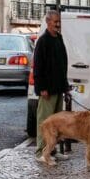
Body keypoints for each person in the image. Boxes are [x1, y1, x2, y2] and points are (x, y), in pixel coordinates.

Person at [32, 10, 70, 162]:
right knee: (45, 121)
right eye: (55, 22)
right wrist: (42, 88)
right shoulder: (43, 41)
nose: (58, 24)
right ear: (48, 22)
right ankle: (41, 152)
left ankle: (52, 150)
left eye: (59, 22)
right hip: (47, 90)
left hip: (58, 88)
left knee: (57, 123)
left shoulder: (59, 38)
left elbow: (63, 65)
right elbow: (38, 67)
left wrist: (65, 87)